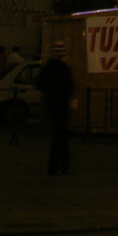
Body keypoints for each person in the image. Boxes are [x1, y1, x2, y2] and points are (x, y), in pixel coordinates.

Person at [35, 40, 76, 175]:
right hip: (62, 104)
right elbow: (70, 87)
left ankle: (62, 164)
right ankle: (56, 165)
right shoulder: (64, 68)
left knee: (60, 135)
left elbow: (40, 84)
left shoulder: (48, 67)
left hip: (51, 103)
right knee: (60, 136)